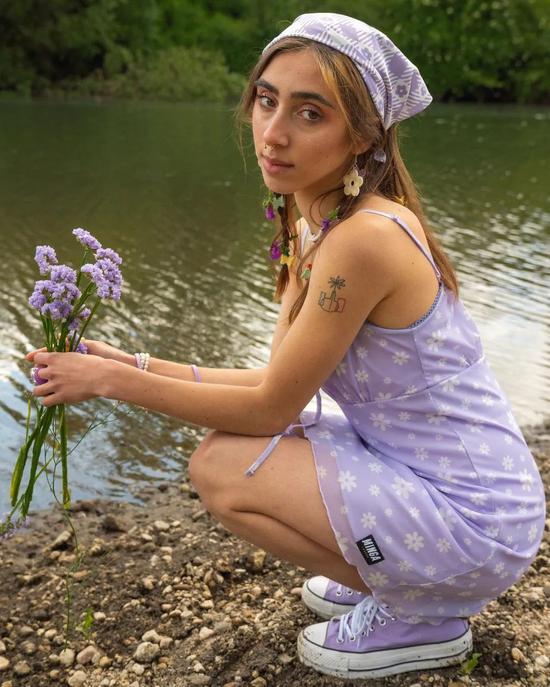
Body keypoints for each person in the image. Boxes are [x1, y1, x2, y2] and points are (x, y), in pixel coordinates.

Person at [26, 12, 546, 682]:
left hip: (479, 519)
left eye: (310, 113)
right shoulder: (316, 222)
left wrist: (109, 383)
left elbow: (270, 408)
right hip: (437, 478)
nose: (273, 132)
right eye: (266, 100)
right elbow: (277, 379)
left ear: (363, 134)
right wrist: (134, 362)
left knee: (223, 466)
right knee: (245, 447)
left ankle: (423, 611)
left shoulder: (365, 239)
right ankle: (402, 573)